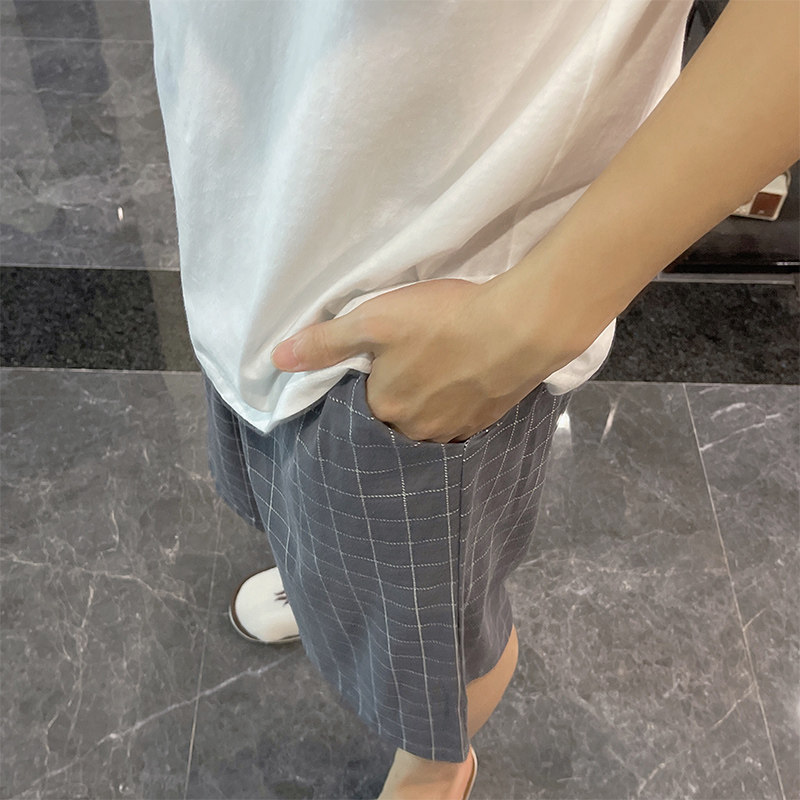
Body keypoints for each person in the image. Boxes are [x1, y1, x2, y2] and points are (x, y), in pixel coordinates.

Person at [149, 2, 799, 798]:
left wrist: (533, 316)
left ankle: (437, 768)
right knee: (299, 507)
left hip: (434, 292)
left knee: (445, 645)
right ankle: (328, 589)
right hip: (255, 223)